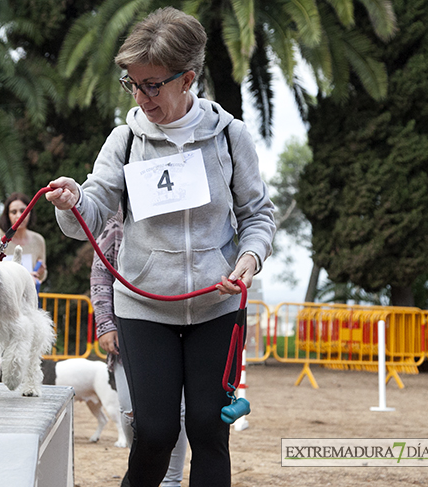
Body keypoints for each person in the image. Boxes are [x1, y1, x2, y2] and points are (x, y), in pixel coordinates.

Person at [46, 7, 276, 487]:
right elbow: (85, 219)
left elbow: (258, 214)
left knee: (209, 432)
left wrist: (249, 260)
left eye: (152, 84)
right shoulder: (124, 140)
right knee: (153, 431)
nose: (142, 96)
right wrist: (72, 202)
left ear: (187, 78)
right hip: (144, 309)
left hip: (218, 304)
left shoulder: (230, 137)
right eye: (133, 84)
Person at [91, 208, 188, 487]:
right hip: (128, 330)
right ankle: (144, 471)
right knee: (130, 410)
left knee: (176, 412)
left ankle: (171, 481)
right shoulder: (115, 225)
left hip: (175, 328)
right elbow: (100, 274)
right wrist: (106, 324)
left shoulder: (181, 219)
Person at [0, 192, 48, 287]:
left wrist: (41, 273)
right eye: (14, 212)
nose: (19, 216)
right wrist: (26, 277)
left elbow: (40, 276)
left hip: (27, 297)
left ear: (30, 212)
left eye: (23, 210)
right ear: (7, 215)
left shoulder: (38, 240)